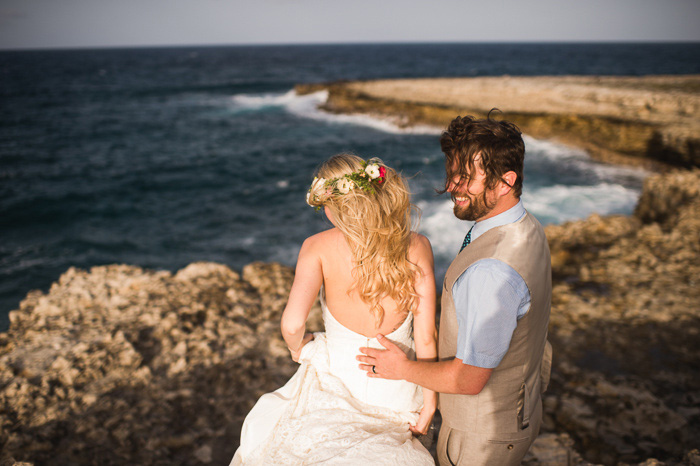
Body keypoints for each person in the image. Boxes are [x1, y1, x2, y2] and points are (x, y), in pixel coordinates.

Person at [358, 115, 552, 466]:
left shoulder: (491, 272)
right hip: (521, 410)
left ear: (506, 182)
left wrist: (401, 368)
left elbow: (468, 378)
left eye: (466, 177)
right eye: (453, 173)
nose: (452, 186)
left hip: (481, 440)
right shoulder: (528, 226)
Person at [230, 154, 438, 465]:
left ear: (335, 206)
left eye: (322, 205)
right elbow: (426, 339)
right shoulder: (417, 245)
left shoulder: (316, 247)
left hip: (337, 385)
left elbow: (292, 324)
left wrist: (298, 348)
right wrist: (430, 405)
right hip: (397, 395)